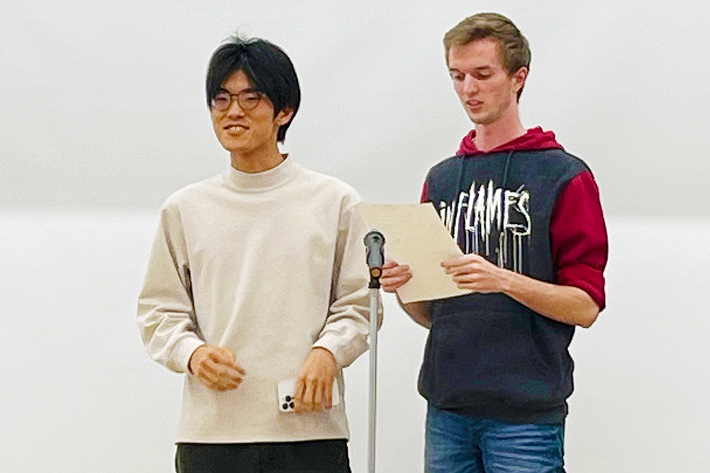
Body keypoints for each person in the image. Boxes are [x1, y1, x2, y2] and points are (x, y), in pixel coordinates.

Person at [137, 34, 379, 473]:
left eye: (252, 98)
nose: (233, 112)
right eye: (221, 99)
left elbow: (362, 302)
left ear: (284, 111)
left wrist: (328, 352)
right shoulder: (185, 208)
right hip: (212, 434)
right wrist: (192, 353)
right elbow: (159, 311)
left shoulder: (334, 201)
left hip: (310, 431)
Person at [381, 12, 608, 473]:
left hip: (525, 417)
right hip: (447, 408)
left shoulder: (565, 176)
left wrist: (503, 280)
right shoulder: (441, 179)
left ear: (518, 77)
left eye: (483, 74)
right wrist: (404, 287)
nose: (469, 89)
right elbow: (434, 315)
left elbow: (584, 306)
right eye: (457, 76)